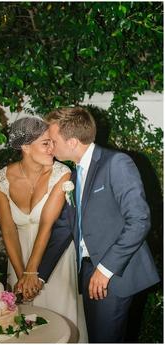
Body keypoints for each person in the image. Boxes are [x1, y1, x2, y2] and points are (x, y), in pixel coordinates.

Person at [36, 107, 160, 343]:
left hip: (114, 274)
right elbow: (64, 228)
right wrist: (39, 275)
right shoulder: (74, 175)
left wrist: (105, 270)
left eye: (52, 141)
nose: (50, 147)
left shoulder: (116, 163)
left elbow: (139, 220)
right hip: (89, 272)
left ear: (72, 142)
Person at [0, 117, 88, 342]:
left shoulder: (61, 173)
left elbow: (47, 223)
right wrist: (20, 275)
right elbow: (8, 230)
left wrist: (32, 273)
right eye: (46, 143)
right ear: (25, 147)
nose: (52, 148)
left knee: (62, 321)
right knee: (25, 325)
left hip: (55, 256)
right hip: (19, 256)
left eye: (52, 142)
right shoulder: (0, 180)